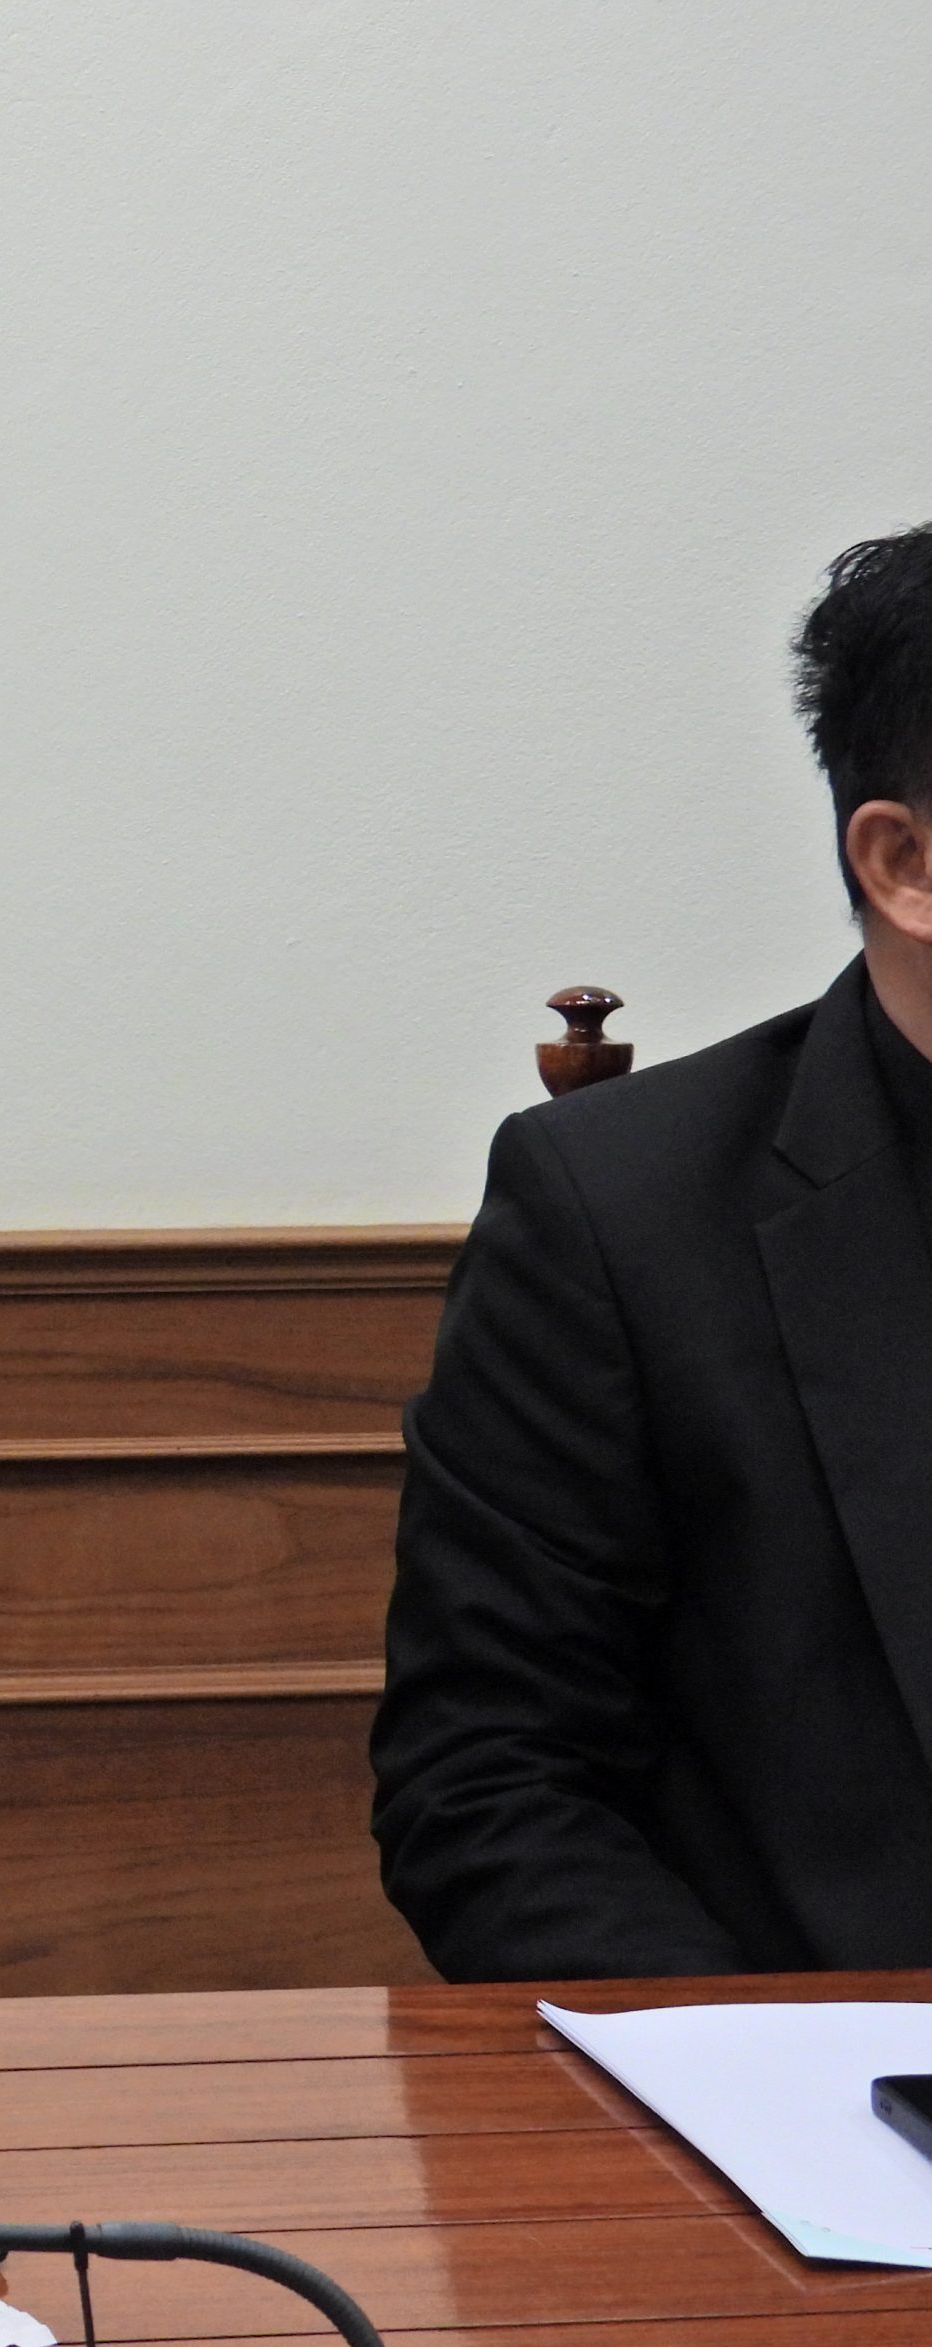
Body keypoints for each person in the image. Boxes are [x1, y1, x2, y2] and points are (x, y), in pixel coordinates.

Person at [372, 523, 932, 1979]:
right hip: (825, 2074)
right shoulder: (624, 1214)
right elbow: (490, 1784)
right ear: (904, 862)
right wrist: (777, 2074)